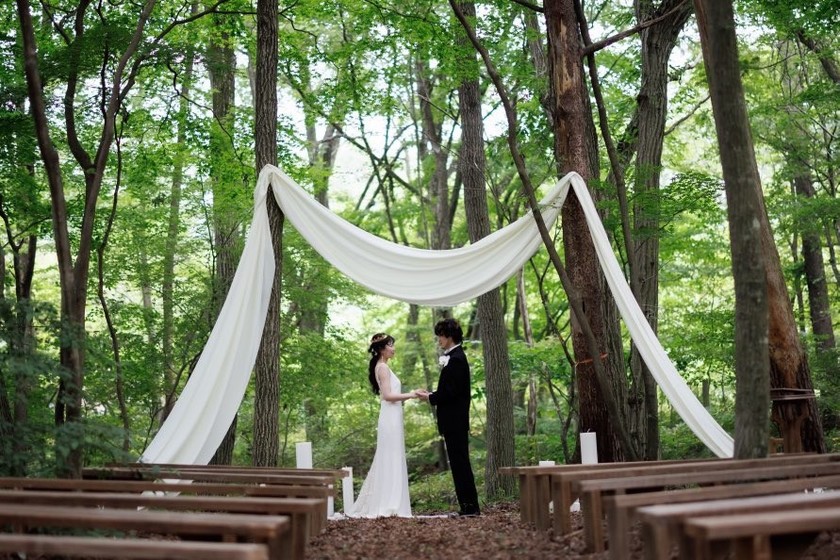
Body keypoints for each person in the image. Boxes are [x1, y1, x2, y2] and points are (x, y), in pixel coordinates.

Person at [347, 333, 417, 518]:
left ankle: (391, 501)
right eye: (390, 345)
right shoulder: (383, 368)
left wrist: (411, 395)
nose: (393, 348)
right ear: (381, 349)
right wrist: (412, 394)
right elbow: (388, 396)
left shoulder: (383, 366)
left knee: (392, 455)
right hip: (389, 417)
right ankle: (389, 503)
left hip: (392, 416)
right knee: (390, 456)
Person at [417, 318, 481, 517]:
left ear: (450, 336)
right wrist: (432, 394)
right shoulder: (454, 357)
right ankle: (468, 507)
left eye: (441, 336)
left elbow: (451, 392)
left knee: (460, 464)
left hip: (455, 421)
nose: (439, 340)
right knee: (459, 464)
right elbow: (449, 389)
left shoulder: (457, 359)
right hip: (453, 421)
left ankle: (470, 507)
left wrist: (430, 397)